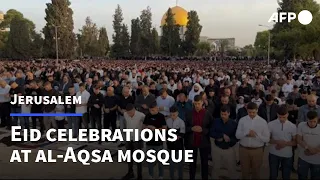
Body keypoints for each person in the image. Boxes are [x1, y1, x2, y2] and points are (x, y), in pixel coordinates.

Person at [236, 102, 270, 179]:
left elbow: (267, 139)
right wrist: (245, 133)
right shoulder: (242, 120)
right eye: (249, 112)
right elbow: (237, 135)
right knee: (244, 171)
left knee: (256, 171)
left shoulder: (263, 122)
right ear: (247, 110)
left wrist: (256, 135)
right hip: (243, 149)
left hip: (257, 150)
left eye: (253, 112)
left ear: (257, 110)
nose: (251, 114)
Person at [185, 95, 213, 180]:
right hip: (190, 142)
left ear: (202, 103)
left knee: (204, 163)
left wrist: (203, 130)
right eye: (195, 103)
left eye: (199, 103)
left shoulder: (207, 113)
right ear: (193, 103)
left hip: (204, 142)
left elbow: (211, 128)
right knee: (191, 163)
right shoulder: (189, 113)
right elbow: (184, 127)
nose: (197, 105)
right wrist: (191, 128)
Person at [268, 105, 297, 179]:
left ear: (287, 114)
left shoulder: (293, 126)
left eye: (284, 117)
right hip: (273, 153)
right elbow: (267, 139)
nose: (282, 119)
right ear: (277, 114)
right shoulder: (270, 124)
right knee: (273, 175)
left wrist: (284, 143)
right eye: (280, 117)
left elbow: (295, 142)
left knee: (286, 176)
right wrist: (277, 141)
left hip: (287, 155)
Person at [209, 105, 238, 179]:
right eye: (221, 114)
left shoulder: (234, 124)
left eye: (225, 114)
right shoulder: (216, 121)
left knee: (231, 169)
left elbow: (236, 137)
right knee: (216, 168)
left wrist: (229, 139)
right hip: (217, 149)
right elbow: (211, 132)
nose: (223, 116)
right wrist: (221, 136)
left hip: (229, 149)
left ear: (229, 113)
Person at [143, 102, 167, 179]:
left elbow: (164, 128)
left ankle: (161, 175)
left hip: (158, 142)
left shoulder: (161, 116)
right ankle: (150, 175)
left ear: (157, 108)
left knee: (160, 160)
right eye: (150, 110)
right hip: (149, 141)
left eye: (153, 110)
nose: (151, 112)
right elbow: (143, 126)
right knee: (150, 161)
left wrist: (156, 129)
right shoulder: (147, 115)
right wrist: (146, 128)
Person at [122, 104, 145, 180]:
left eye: (131, 112)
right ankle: (130, 173)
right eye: (128, 113)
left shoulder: (141, 115)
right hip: (129, 138)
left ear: (134, 110)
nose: (129, 114)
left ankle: (139, 176)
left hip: (138, 139)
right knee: (129, 157)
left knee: (138, 158)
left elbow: (146, 123)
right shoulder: (125, 114)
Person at [297, 111, 320, 179]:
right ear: (307, 119)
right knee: (301, 176)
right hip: (303, 157)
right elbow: (299, 139)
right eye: (310, 121)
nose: (312, 123)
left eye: (314, 121)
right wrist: (308, 148)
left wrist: (313, 152)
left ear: (317, 119)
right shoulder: (301, 125)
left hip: (317, 160)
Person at [166, 106, 185, 180]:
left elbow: (182, 134)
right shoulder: (168, 121)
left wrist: (176, 136)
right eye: (171, 115)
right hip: (170, 145)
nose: (172, 116)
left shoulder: (181, 122)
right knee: (171, 163)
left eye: (174, 115)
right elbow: (166, 132)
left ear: (177, 113)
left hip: (178, 145)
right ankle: (172, 177)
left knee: (180, 164)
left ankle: (180, 177)